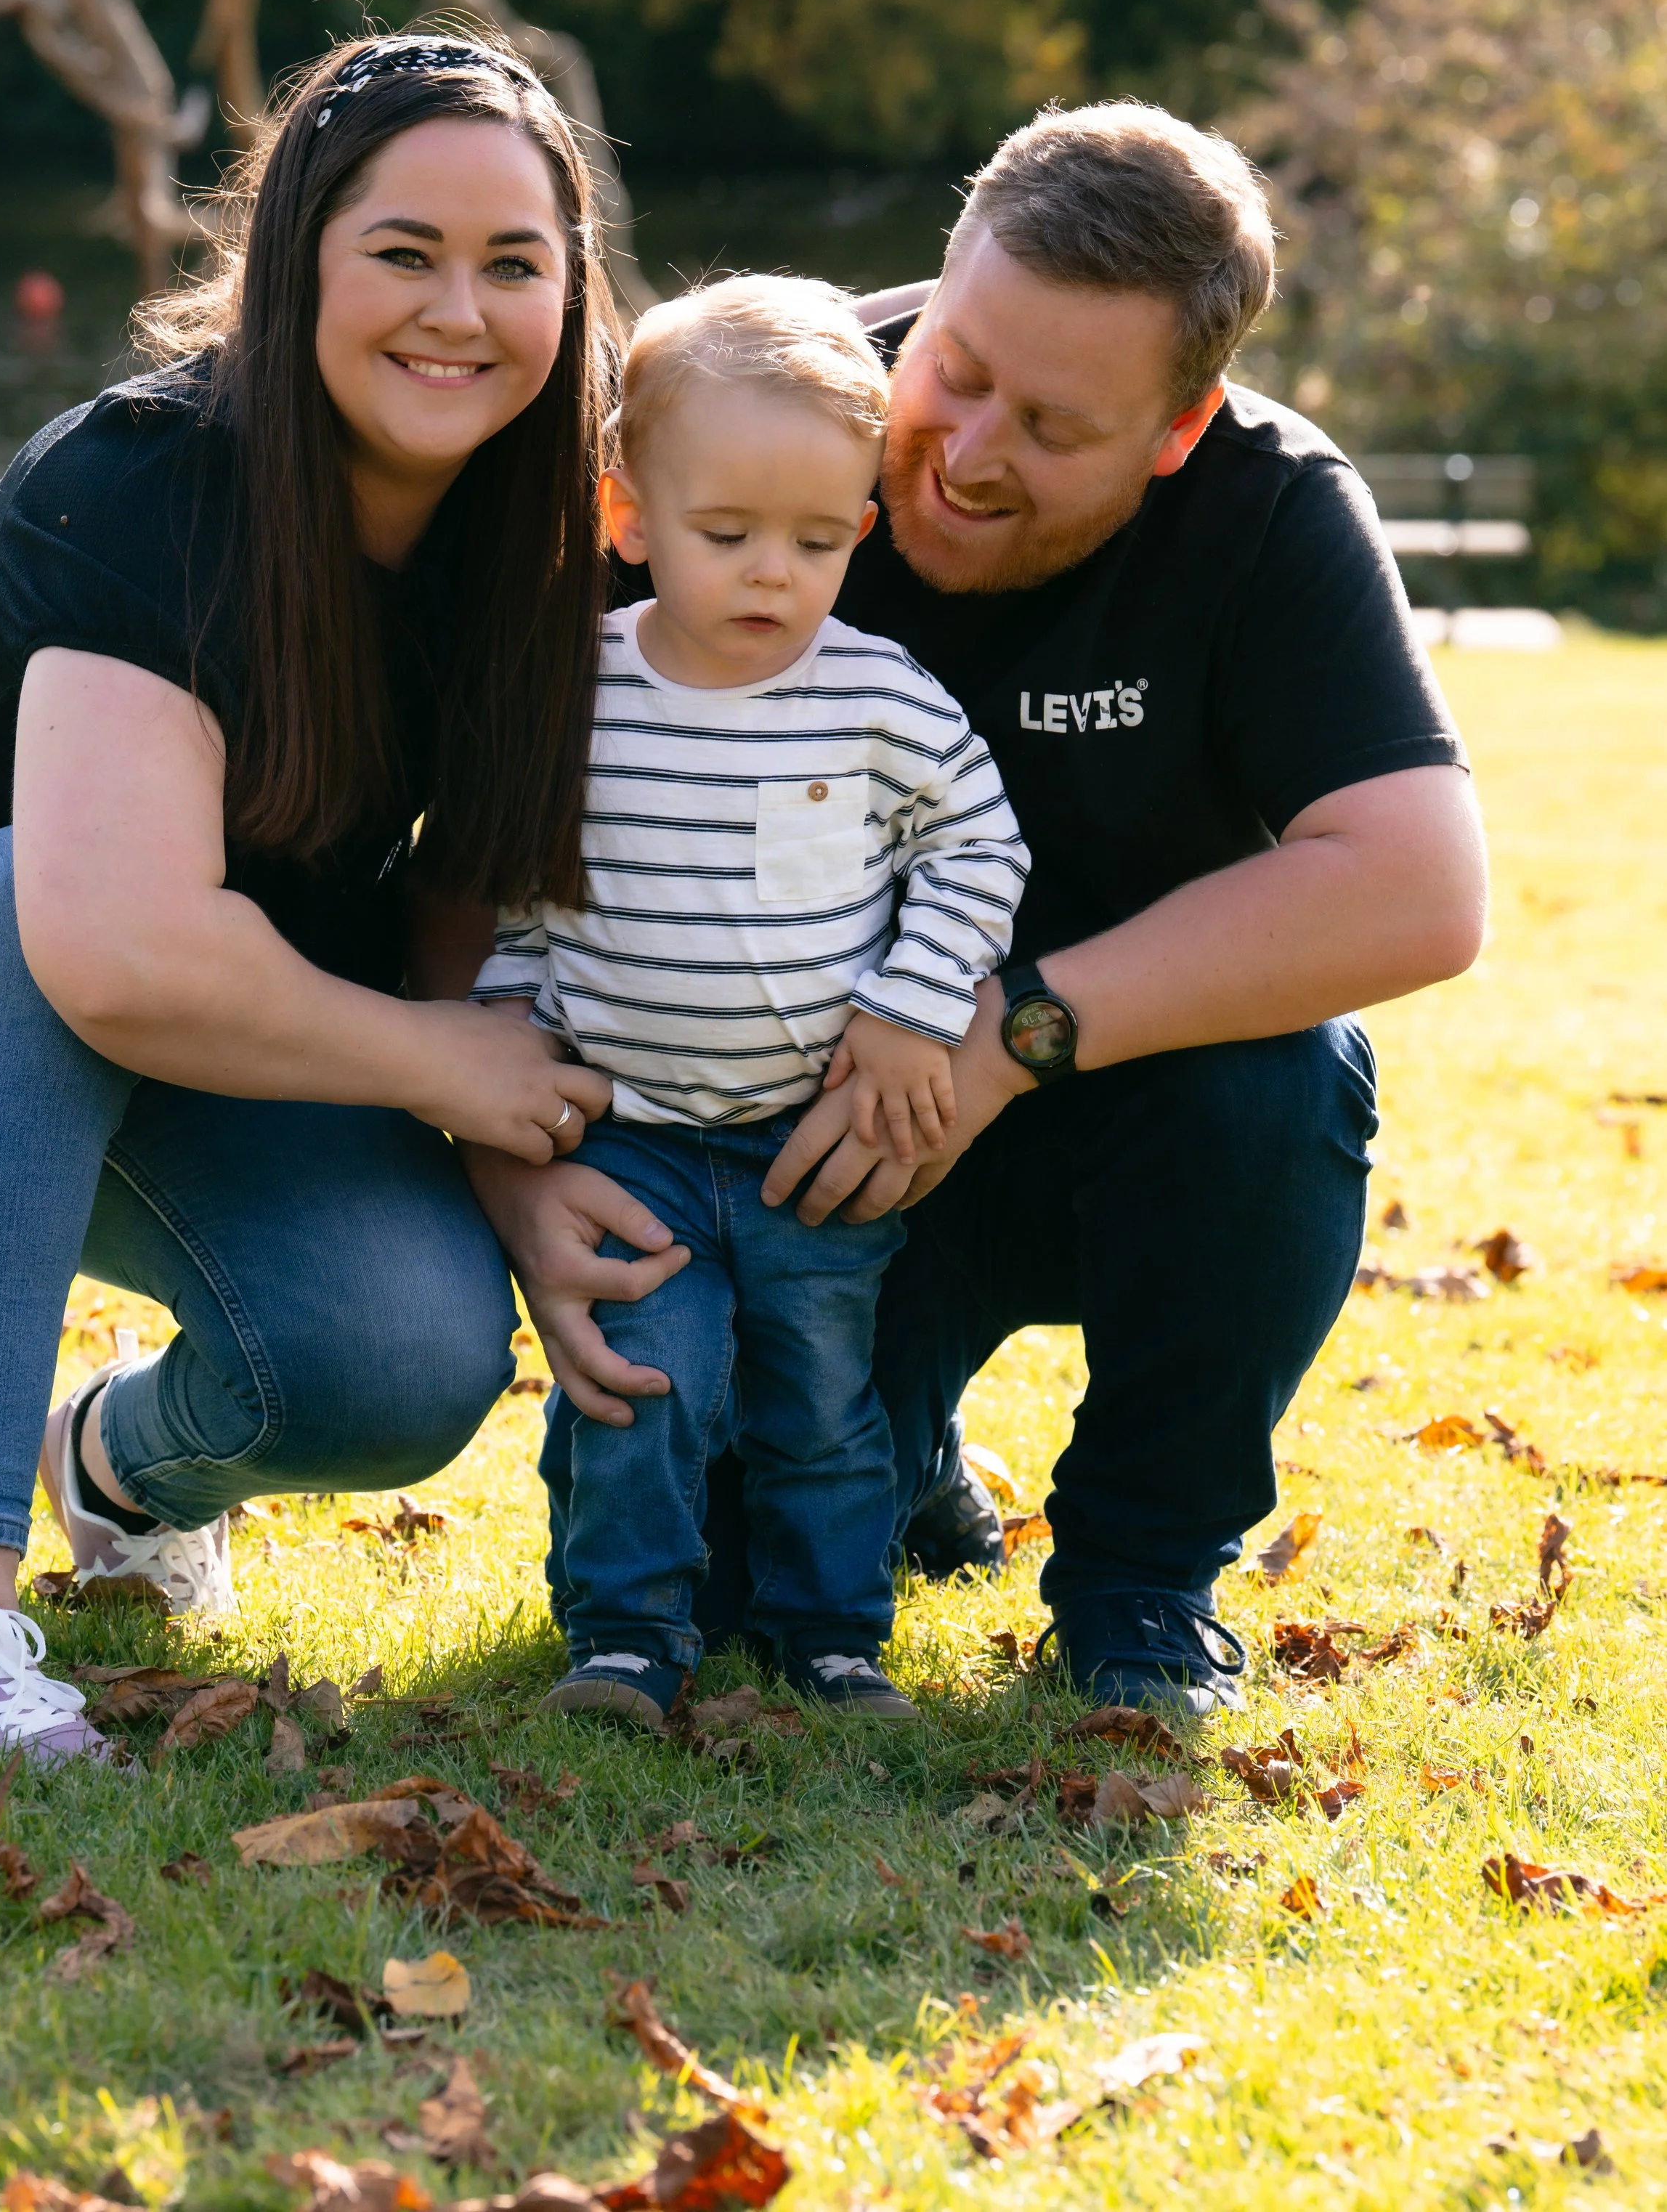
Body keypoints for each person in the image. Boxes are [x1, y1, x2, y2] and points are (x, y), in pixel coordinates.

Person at [469, 101, 1488, 1719]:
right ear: (932, 292)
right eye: (954, 366)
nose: (962, 447)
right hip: (777, 1152)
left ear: (1175, 427)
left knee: (1283, 1078)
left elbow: (1420, 888)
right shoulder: (749, 427)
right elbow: (487, 849)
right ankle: (910, 1458)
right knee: (743, 1595)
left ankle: (1141, 1581)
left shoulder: (1267, 512)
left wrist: (1007, 1036)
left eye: (1055, 428)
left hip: (1116, 1120)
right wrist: (505, 1165)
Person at [0, 30, 620, 1759]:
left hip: (162, 1008)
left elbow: (467, 897)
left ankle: (113, 1468)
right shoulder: (145, 482)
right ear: (296, 262)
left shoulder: (544, 532)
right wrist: (440, 1069)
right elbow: (115, 949)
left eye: (516, 264)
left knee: (397, 1355)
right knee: (36, 910)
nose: (459, 310)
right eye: (401, 252)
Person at [474, 278, 1028, 1728]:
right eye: (725, 536)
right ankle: (623, 1638)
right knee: (638, 1384)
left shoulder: (877, 700)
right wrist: (504, 1045)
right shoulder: (576, 695)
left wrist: (915, 1009)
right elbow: (520, 897)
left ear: (863, 523)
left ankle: (830, 1636)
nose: (770, 574)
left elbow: (979, 848)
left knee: (824, 1403)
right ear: (630, 515)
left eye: (817, 538)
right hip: (631, 1138)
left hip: (809, 1135)